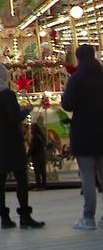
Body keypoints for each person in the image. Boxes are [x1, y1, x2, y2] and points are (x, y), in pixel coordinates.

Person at [0, 58, 45, 229]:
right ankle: (25, 216)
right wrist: (26, 111)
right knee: (21, 178)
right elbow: (14, 117)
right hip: (12, 140)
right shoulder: (7, 94)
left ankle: (4, 218)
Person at [61, 44, 103, 230]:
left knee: (87, 176)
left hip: (83, 132)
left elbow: (68, 105)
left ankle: (88, 218)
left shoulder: (76, 79)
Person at [28, 123, 47, 191]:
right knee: (43, 171)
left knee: (37, 171)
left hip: (36, 156)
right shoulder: (41, 136)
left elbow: (32, 148)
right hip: (42, 155)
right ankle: (44, 185)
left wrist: (28, 156)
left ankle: (38, 186)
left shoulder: (35, 137)